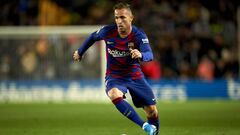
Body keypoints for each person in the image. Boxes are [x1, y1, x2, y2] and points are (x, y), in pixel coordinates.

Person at [73, 2, 159, 135]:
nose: (119, 21)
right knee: (113, 93)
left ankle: (153, 132)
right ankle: (144, 126)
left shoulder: (139, 35)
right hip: (115, 77)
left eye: (123, 17)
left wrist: (141, 54)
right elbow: (92, 37)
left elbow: (149, 55)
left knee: (152, 110)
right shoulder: (107, 31)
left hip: (135, 76)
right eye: (117, 17)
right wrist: (80, 51)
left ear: (131, 18)